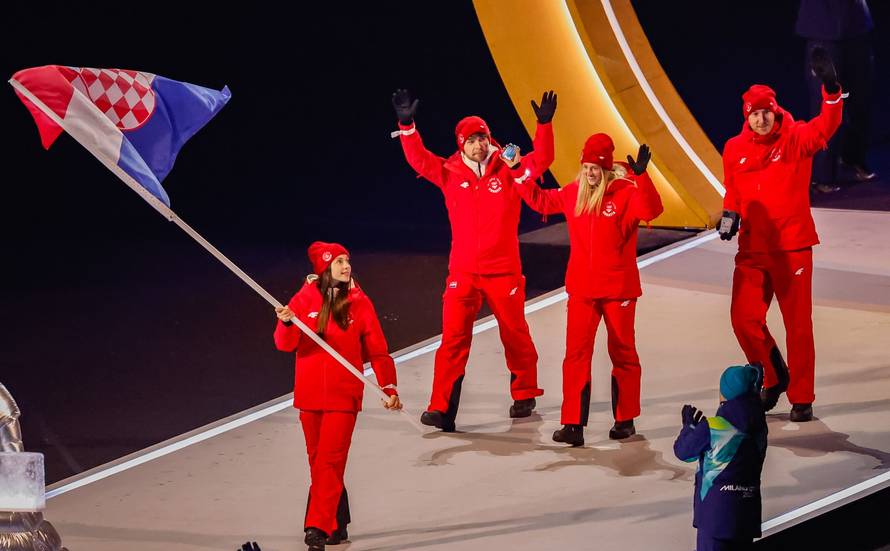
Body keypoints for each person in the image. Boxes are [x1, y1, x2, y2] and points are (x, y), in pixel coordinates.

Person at [390, 88, 557, 432]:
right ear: (461, 144)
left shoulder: (508, 167)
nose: (479, 145)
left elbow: (541, 161)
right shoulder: (450, 172)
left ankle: (524, 392)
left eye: (483, 138)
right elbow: (419, 158)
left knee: (515, 334)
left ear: (489, 138)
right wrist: (407, 126)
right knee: (452, 340)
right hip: (463, 272)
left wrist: (544, 124)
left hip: (503, 271)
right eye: (472, 140)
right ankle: (441, 409)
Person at [508, 133, 663, 444]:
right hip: (582, 289)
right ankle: (573, 424)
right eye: (587, 167)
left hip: (618, 289)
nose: (590, 173)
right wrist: (516, 171)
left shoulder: (625, 192)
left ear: (606, 169)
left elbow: (651, 211)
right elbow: (540, 200)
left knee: (623, 352)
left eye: (596, 168)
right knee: (575, 355)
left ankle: (625, 419)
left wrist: (643, 177)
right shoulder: (574, 192)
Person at [718, 48, 845, 422]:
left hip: (792, 248)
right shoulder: (734, 149)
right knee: (743, 318)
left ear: (775, 111)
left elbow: (827, 125)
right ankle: (774, 377)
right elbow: (733, 191)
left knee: (798, 325)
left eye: (766, 112)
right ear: (747, 116)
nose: (760, 119)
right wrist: (730, 215)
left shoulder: (795, 138)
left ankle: (801, 397)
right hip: (753, 249)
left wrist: (831, 90)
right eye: (754, 113)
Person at [274, 242, 401, 551]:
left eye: (347, 261)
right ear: (324, 268)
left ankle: (316, 527)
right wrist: (287, 322)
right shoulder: (304, 299)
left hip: (344, 397)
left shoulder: (360, 303)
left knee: (330, 462)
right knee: (318, 462)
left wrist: (389, 387)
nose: (346, 266)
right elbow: (284, 344)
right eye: (339, 262)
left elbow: (378, 351)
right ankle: (337, 523)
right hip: (310, 395)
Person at [674, 364, 768, 551]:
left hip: (715, 517)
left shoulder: (714, 427)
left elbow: (683, 452)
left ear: (725, 393)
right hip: (746, 515)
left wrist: (689, 429)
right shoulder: (760, 427)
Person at [796, 0, 876, 192]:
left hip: (856, 26)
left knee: (862, 99)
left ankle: (852, 158)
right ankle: (822, 175)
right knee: (826, 102)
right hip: (823, 29)